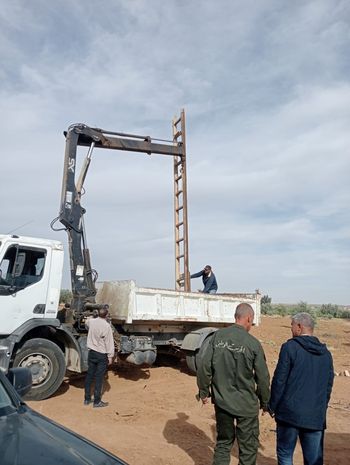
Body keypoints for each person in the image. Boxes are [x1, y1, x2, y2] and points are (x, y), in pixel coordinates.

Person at [197, 303, 270, 465]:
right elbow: (263, 378)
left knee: (223, 444)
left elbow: (204, 367)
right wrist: (265, 402)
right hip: (246, 406)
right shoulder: (253, 343)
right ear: (249, 318)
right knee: (248, 450)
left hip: (222, 403)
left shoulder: (217, 337)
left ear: (236, 316)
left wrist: (204, 392)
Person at [269, 312, 334, 465]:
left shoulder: (289, 347)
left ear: (299, 326)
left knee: (285, 454)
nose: (291, 329)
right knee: (314, 460)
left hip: (289, 414)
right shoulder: (326, 354)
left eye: (292, 325)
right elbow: (328, 386)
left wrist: (272, 406)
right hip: (315, 416)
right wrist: (321, 407)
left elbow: (279, 380)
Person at [84, 305, 115, 408]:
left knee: (89, 375)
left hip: (91, 353)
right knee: (99, 377)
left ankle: (87, 399)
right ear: (106, 315)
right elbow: (109, 342)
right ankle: (97, 401)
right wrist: (110, 356)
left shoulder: (91, 322)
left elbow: (87, 321)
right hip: (101, 354)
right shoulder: (106, 326)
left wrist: (90, 317)